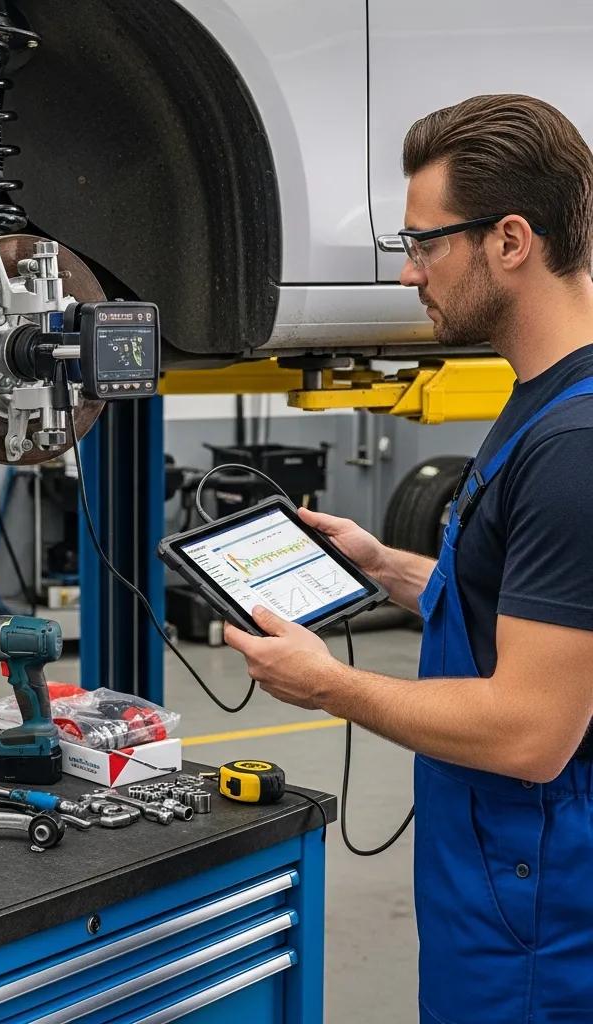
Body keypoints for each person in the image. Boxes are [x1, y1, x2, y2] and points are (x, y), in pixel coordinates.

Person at [224, 94, 593, 1024]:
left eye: (425, 244)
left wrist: (328, 686)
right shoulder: (549, 399)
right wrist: (389, 566)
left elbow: (530, 732)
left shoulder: (574, 445)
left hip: (536, 919)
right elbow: (537, 612)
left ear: (511, 240)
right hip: (506, 884)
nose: (409, 275)